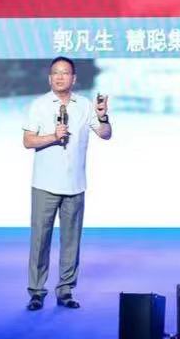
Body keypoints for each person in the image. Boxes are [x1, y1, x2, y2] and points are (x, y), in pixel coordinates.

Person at [22, 57, 112, 310]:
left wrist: (103, 117)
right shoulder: (39, 105)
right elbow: (28, 141)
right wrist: (54, 136)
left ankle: (66, 290)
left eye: (65, 73)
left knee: (71, 241)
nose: (60, 77)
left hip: (75, 184)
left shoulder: (84, 105)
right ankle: (36, 291)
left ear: (74, 78)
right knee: (40, 240)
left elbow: (105, 134)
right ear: (50, 78)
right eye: (55, 73)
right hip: (45, 184)